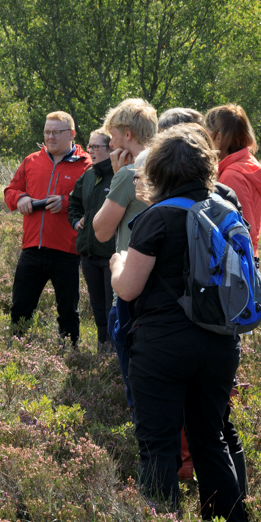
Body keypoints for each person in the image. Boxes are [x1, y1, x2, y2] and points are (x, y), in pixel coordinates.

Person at [110, 124, 250, 522]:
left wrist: (117, 264)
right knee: (211, 439)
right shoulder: (226, 210)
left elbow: (129, 289)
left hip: (162, 348)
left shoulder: (156, 218)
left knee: (159, 445)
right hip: (218, 345)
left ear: (157, 170)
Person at [3, 112, 93, 347]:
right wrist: (20, 197)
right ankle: (14, 351)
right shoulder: (32, 161)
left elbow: (93, 204)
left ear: (71, 134)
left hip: (67, 250)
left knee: (68, 310)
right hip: (32, 248)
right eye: (47, 132)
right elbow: (10, 191)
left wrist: (65, 203)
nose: (50, 137)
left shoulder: (86, 165)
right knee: (21, 306)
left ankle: (71, 353)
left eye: (56, 132)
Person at [91, 99, 159, 404]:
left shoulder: (129, 173)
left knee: (138, 388)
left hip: (132, 287)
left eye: (113, 135)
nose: (110, 141)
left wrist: (119, 177)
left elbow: (102, 230)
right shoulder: (166, 166)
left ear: (128, 135)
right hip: (168, 291)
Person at [68, 129, 116, 350]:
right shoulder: (88, 175)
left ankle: (114, 352)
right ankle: (102, 348)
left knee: (111, 307)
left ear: (111, 148)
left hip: (111, 255)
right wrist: (76, 220)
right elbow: (74, 203)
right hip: (88, 254)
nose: (91, 151)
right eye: (90, 146)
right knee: (97, 306)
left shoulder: (120, 175)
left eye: (96, 147)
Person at [205, 104, 261, 253]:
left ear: (217, 137)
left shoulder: (232, 176)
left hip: (235, 264)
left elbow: (241, 232)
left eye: (206, 134)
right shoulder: (246, 163)